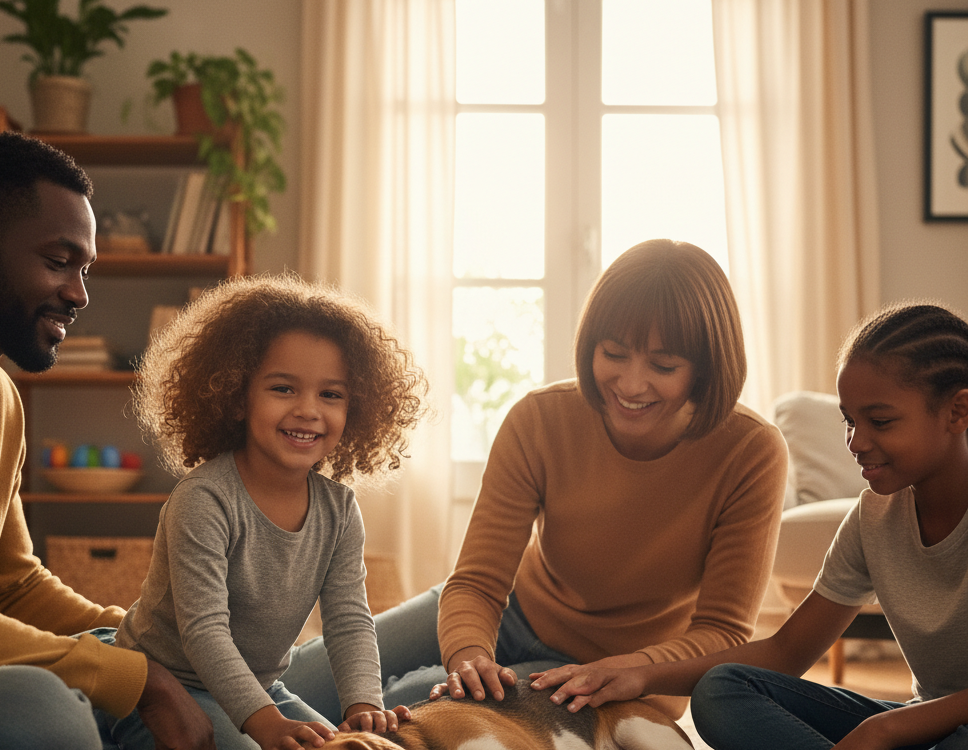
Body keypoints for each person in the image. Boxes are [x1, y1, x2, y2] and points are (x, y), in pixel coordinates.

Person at [282, 238, 790, 722]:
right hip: (512, 610)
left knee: (404, 708)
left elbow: (723, 633)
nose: (631, 384)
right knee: (300, 680)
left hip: (620, 672)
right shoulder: (541, 420)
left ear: (703, 369)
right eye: (613, 354)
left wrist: (634, 671)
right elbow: (478, 581)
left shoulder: (750, 452)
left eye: (663, 364)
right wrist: (468, 654)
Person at [533, 302, 968, 750]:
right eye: (849, 421)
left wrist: (881, 731)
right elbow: (786, 655)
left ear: (957, 411)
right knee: (721, 691)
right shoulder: (873, 518)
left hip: (939, 739)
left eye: (879, 421)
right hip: (925, 732)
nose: (856, 442)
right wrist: (640, 673)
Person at [0, 130, 217, 750]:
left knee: (146, 675)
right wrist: (133, 680)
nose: (79, 293)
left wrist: (136, 641)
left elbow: (16, 585)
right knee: (44, 715)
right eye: (59, 261)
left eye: (85, 268)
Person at [107, 274, 426, 750]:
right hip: (158, 687)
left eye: (331, 394)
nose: (308, 410)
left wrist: (363, 706)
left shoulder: (338, 509)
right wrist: (262, 723)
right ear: (235, 396)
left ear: (357, 410)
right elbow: (204, 630)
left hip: (257, 685)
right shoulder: (204, 499)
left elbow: (350, 620)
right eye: (283, 389)